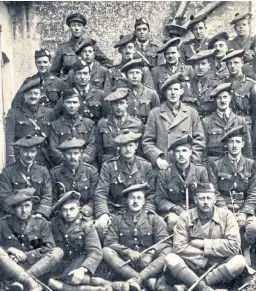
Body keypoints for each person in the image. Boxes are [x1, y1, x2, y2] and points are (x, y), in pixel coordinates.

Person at [164, 183, 246, 291]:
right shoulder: (185, 217)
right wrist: (206, 257)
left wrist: (204, 244)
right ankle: (205, 288)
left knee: (239, 261)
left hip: (219, 265)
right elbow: (179, 247)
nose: (205, 202)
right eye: (202, 198)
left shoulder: (227, 216)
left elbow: (234, 246)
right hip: (191, 265)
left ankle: (191, 286)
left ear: (215, 199)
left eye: (209, 198)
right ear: (195, 199)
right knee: (170, 258)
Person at [103, 182, 172, 291]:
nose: (135, 201)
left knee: (169, 250)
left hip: (148, 263)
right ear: (126, 200)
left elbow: (164, 241)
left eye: (139, 198)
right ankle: (143, 280)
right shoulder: (117, 219)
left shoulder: (153, 218)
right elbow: (109, 242)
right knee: (106, 251)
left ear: (144, 201)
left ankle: (138, 280)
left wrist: (150, 254)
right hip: (126, 264)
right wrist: (127, 252)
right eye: (132, 198)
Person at [94, 130, 156, 238]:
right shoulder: (108, 166)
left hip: (139, 211)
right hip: (116, 211)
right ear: (119, 148)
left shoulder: (146, 166)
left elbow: (152, 194)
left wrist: (146, 212)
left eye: (131, 145)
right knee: (102, 228)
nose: (128, 149)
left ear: (136, 146)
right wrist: (103, 213)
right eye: (124, 146)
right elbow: (101, 193)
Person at [0, 188, 63, 291]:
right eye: (20, 207)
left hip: (36, 266)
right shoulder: (3, 224)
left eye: (27, 206)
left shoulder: (41, 223)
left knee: (58, 251)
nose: (24, 210)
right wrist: (9, 248)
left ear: (32, 206)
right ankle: (30, 282)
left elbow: (49, 247)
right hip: (11, 267)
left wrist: (27, 256)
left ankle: (22, 280)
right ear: (14, 208)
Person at [208, 125, 256, 262]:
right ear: (226, 145)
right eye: (231, 142)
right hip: (223, 208)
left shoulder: (251, 165)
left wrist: (245, 212)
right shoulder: (216, 165)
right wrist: (226, 211)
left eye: (237, 141)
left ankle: (244, 246)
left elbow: (253, 192)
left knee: (253, 228)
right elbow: (214, 192)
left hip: (244, 209)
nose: (234, 145)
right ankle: (233, 258)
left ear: (243, 144)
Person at [142, 72, 206, 168]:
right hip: (164, 165)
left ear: (181, 91)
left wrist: (191, 160)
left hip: (186, 164)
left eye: (176, 89)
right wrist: (157, 158)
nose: (173, 93)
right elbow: (147, 142)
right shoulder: (155, 113)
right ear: (164, 92)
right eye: (169, 90)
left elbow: (200, 140)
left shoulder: (191, 112)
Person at [48, 191, 108, 291]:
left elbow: (96, 252)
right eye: (65, 210)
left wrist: (82, 269)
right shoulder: (53, 224)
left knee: (65, 279)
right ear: (60, 211)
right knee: (52, 280)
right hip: (62, 263)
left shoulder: (86, 225)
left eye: (72, 209)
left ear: (79, 209)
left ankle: (102, 286)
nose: (68, 213)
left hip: (82, 262)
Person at [155, 135, 209, 233]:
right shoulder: (165, 173)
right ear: (174, 154)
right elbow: (160, 200)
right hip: (173, 212)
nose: (181, 154)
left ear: (190, 152)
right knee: (174, 221)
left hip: (196, 210)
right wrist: (176, 209)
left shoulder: (201, 171)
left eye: (184, 151)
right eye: (177, 151)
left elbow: (206, 195)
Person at [0, 135, 52, 219]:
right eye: (25, 152)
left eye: (32, 151)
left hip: (37, 216)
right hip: (15, 216)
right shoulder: (8, 171)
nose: (29, 155)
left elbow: (47, 195)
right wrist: (19, 214)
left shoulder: (42, 170)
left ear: (36, 152)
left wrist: (40, 214)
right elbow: (4, 198)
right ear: (19, 151)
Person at [5, 78, 54, 167]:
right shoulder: (14, 113)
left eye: (36, 93)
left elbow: (53, 138)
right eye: (29, 93)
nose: (33, 96)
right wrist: (11, 161)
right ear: (24, 95)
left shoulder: (49, 112)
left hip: (44, 160)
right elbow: (9, 139)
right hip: (22, 158)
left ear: (40, 95)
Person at [51, 13, 112, 79]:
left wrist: (94, 75)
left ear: (83, 28)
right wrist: (64, 80)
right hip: (70, 86)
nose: (76, 28)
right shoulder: (62, 48)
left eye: (79, 25)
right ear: (69, 28)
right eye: (73, 25)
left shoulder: (91, 45)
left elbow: (108, 63)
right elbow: (54, 72)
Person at [50, 137, 98, 221]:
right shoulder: (55, 173)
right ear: (63, 155)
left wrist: (82, 212)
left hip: (84, 215)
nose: (72, 157)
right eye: (69, 153)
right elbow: (52, 200)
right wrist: (62, 213)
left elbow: (94, 199)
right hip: (63, 215)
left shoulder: (91, 172)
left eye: (76, 153)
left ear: (81, 153)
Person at [202, 83, 253, 162]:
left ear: (230, 98)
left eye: (225, 97)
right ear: (215, 100)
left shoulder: (240, 120)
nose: (222, 101)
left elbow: (247, 148)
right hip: (213, 165)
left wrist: (249, 166)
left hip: (234, 165)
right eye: (219, 98)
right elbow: (202, 150)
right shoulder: (206, 122)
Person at [49, 88, 96, 166]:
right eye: (68, 102)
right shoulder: (55, 125)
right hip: (63, 167)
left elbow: (92, 145)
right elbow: (53, 148)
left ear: (79, 104)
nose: (72, 106)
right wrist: (68, 162)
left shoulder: (88, 123)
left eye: (74, 102)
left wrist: (80, 161)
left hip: (85, 166)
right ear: (63, 104)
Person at [96, 88, 143, 166]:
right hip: (108, 166)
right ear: (111, 105)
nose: (118, 107)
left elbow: (140, 151)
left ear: (127, 103)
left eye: (121, 103)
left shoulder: (137, 124)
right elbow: (99, 149)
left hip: (130, 165)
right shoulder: (102, 124)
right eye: (115, 103)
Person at [222, 49, 256, 152]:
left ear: (242, 63)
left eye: (236, 63)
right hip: (227, 126)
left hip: (247, 127)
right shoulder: (222, 84)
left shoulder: (251, 85)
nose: (232, 66)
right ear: (226, 66)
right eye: (229, 63)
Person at [120, 58, 160, 124]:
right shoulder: (120, 94)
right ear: (126, 76)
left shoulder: (152, 93)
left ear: (142, 74)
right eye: (131, 73)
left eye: (137, 73)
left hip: (146, 131)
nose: (134, 76)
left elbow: (157, 118)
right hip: (127, 131)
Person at [69, 59, 106, 124]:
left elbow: (106, 118)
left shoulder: (100, 94)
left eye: (85, 73)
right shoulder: (68, 94)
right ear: (74, 76)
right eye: (79, 73)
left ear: (89, 76)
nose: (82, 77)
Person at [184, 49, 219, 118]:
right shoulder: (185, 85)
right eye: (197, 64)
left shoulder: (216, 85)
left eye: (203, 64)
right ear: (193, 66)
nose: (200, 67)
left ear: (209, 66)